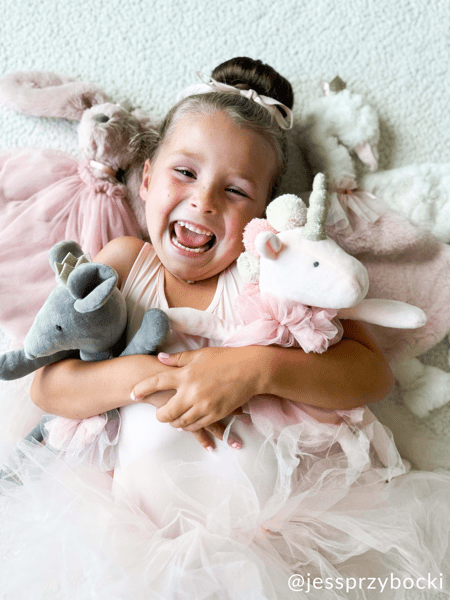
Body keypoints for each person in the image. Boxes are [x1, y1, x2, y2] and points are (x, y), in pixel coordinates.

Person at [2, 57, 449, 599]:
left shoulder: (275, 276)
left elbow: (370, 375)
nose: (204, 201)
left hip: (277, 541)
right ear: (147, 179)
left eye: (235, 190)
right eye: (185, 173)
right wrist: (155, 379)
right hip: (126, 539)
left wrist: (253, 369)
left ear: (265, 213)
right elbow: (49, 387)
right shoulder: (125, 264)